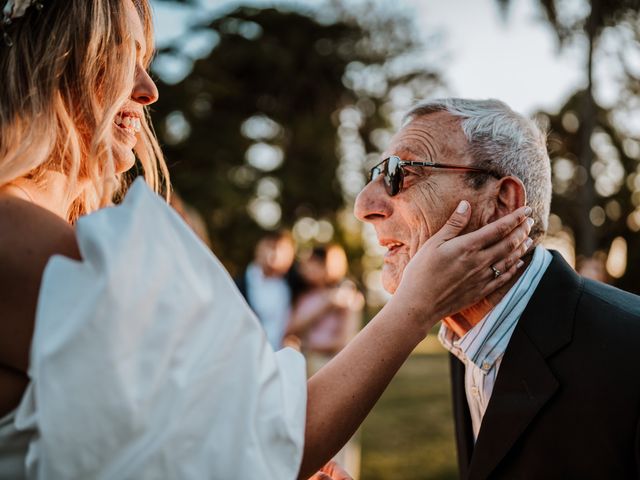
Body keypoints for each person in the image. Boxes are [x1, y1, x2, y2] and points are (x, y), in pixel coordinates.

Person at [0, 1, 533, 478]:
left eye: (402, 173)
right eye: (121, 54)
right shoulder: (21, 237)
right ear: (55, 61)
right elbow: (267, 444)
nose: (148, 89)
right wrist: (414, 306)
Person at [354, 97, 640, 479]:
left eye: (399, 172)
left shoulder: (631, 352)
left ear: (502, 201)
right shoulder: (469, 335)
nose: (364, 205)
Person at [287, 244, 364, 478]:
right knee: (308, 432)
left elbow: (344, 341)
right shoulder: (306, 296)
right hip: (306, 368)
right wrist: (327, 303)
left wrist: (306, 344)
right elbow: (291, 327)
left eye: (312, 263)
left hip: (333, 366)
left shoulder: (350, 297)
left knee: (335, 431)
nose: (305, 268)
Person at [236, 231, 296, 350]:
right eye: (270, 246)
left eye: (282, 249)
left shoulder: (293, 285)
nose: (275, 254)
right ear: (258, 249)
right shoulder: (238, 285)